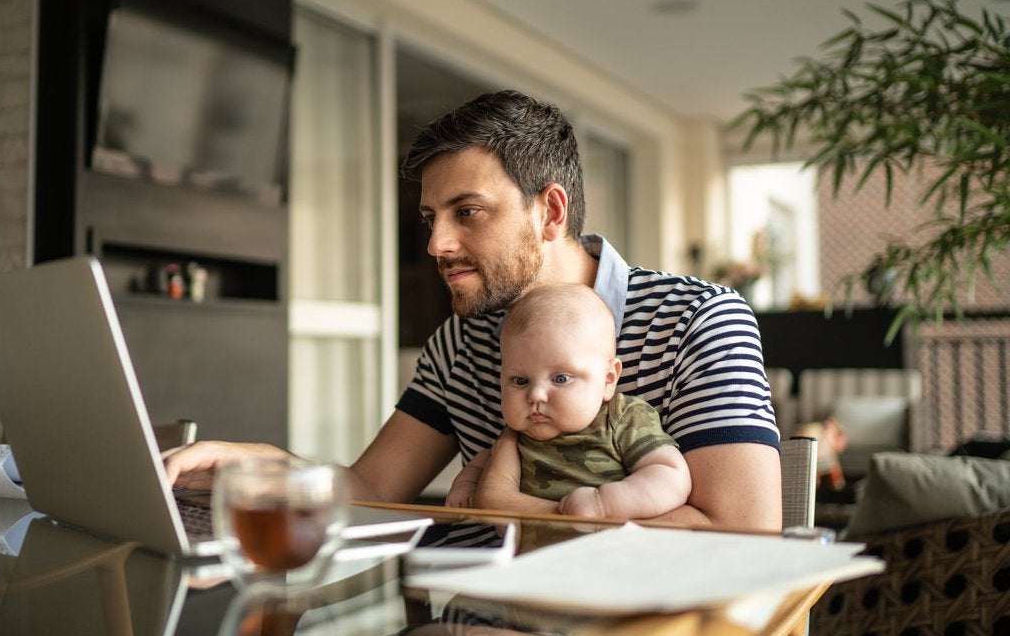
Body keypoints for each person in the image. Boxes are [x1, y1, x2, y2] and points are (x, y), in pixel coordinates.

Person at [165, 89, 781, 532]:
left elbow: (747, 534)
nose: (436, 244)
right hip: (484, 625)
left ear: (550, 213)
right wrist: (266, 466)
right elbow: (374, 490)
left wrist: (533, 513)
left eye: (469, 211)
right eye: (432, 218)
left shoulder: (697, 318)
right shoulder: (458, 346)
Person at [445, 282, 691, 519]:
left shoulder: (622, 418)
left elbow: (670, 474)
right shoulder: (519, 435)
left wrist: (604, 504)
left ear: (607, 380)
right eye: (520, 381)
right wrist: (465, 485)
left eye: (561, 378)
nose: (535, 395)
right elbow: (482, 462)